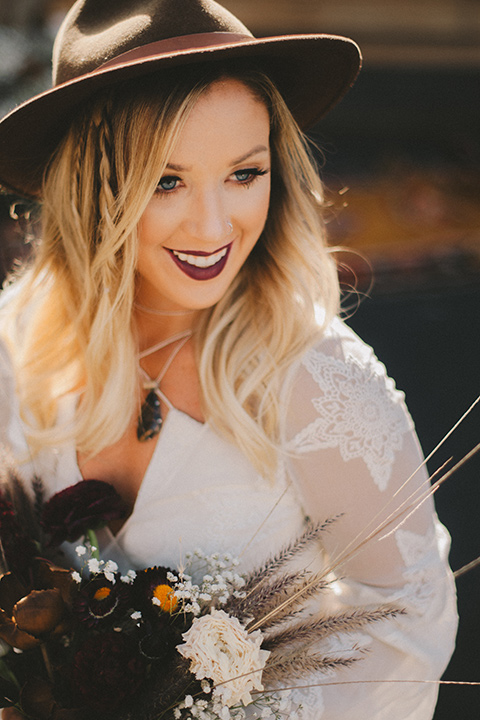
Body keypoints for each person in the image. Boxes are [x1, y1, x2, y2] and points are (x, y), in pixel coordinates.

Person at [0, 1, 457, 718]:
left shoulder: (316, 378)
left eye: (245, 174)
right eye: (166, 181)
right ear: (93, 189)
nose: (214, 227)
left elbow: (408, 615)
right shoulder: (17, 344)